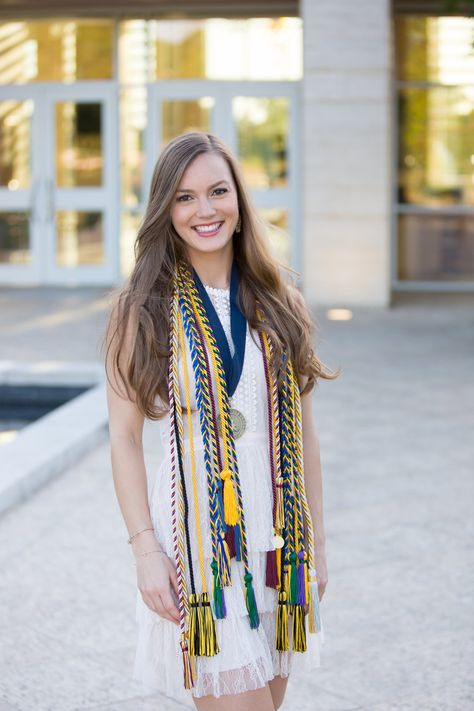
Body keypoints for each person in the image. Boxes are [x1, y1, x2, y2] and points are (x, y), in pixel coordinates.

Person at [105, 132, 337, 711]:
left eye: (217, 191)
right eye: (184, 198)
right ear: (165, 209)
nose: (204, 210)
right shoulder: (140, 309)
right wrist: (146, 553)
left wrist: (317, 548)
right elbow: (126, 440)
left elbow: (304, 435)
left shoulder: (281, 299)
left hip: (276, 536)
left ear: (239, 201)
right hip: (199, 534)